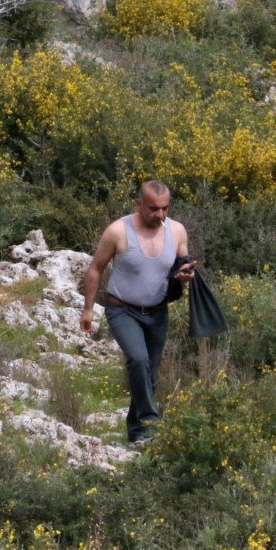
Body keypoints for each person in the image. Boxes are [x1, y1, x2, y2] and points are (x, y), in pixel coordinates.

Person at [81, 181, 196, 445]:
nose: (160, 214)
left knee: (150, 375)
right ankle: (150, 422)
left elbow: (183, 264)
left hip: (158, 312)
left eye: (165, 208)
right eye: (154, 209)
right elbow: (95, 269)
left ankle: (137, 434)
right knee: (138, 359)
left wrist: (186, 273)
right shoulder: (118, 231)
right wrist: (88, 309)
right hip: (122, 309)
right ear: (139, 204)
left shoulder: (177, 231)